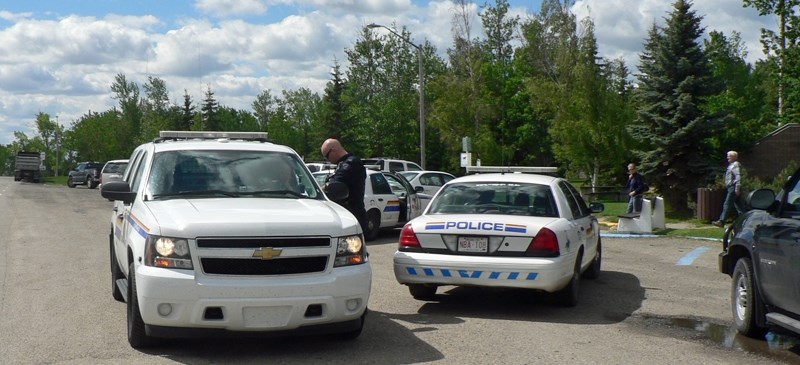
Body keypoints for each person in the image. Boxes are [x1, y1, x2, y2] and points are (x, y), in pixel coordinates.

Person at [320, 138, 367, 233]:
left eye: (327, 156)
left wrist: (317, 190)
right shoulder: (343, 164)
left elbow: (333, 185)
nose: (328, 160)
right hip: (347, 215)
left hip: (353, 216)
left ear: (333, 150)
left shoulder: (351, 163)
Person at [713, 151, 744, 227]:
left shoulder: (735, 164)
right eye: (727, 156)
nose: (727, 158)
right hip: (731, 187)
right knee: (740, 206)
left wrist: (737, 188)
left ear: (734, 157)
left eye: (729, 156)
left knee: (727, 204)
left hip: (733, 187)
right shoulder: (731, 165)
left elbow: (738, 176)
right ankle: (746, 220)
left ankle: (722, 221)